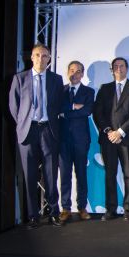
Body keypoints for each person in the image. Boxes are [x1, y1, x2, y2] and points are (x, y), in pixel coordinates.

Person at [9, 43, 64, 229]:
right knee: (30, 176)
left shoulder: (56, 80)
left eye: (45, 56)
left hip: (49, 131)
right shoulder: (20, 78)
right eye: (37, 55)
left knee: (50, 175)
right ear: (31, 57)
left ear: (49, 59)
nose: (41, 58)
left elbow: (58, 104)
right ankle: (33, 216)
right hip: (28, 132)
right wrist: (24, 123)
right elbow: (13, 106)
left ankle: (54, 213)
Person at [92, 57, 129, 221]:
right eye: (116, 66)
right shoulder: (104, 88)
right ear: (112, 70)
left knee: (128, 174)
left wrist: (120, 131)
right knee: (110, 174)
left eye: (122, 66)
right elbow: (98, 112)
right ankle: (110, 209)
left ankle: (128, 209)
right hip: (107, 139)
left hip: (127, 138)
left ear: (127, 68)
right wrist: (109, 131)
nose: (119, 69)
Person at [58, 61, 95, 222]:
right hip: (63, 139)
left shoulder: (89, 91)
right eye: (72, 70)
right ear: (68, 72)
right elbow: (57, 108)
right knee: (65, 175)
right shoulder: (60, 90)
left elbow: (87, 111)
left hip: (81, 140)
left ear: (82, 74)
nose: (75, 74)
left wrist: (66, 113)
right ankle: (65, 208)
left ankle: (82, 207)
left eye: (78, 71)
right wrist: (74, 106)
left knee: (81, 174)